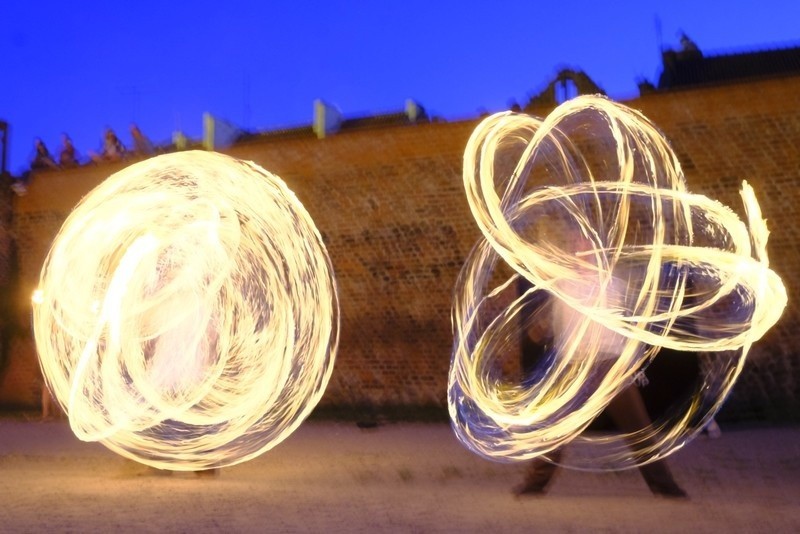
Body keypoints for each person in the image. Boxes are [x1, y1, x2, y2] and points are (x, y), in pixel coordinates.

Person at [513, 231, 688, 499]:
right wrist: (540, 330)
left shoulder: (612, 285)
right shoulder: (564, 287)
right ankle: (534, 486)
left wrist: (629, 363)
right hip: (575, 366)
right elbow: (552, 324)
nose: (582, 253)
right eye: (577, 248)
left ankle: (665, 487)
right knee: (556, 429)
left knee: (639, 430)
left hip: (609, 365)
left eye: (587, 249)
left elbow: (625, 326)